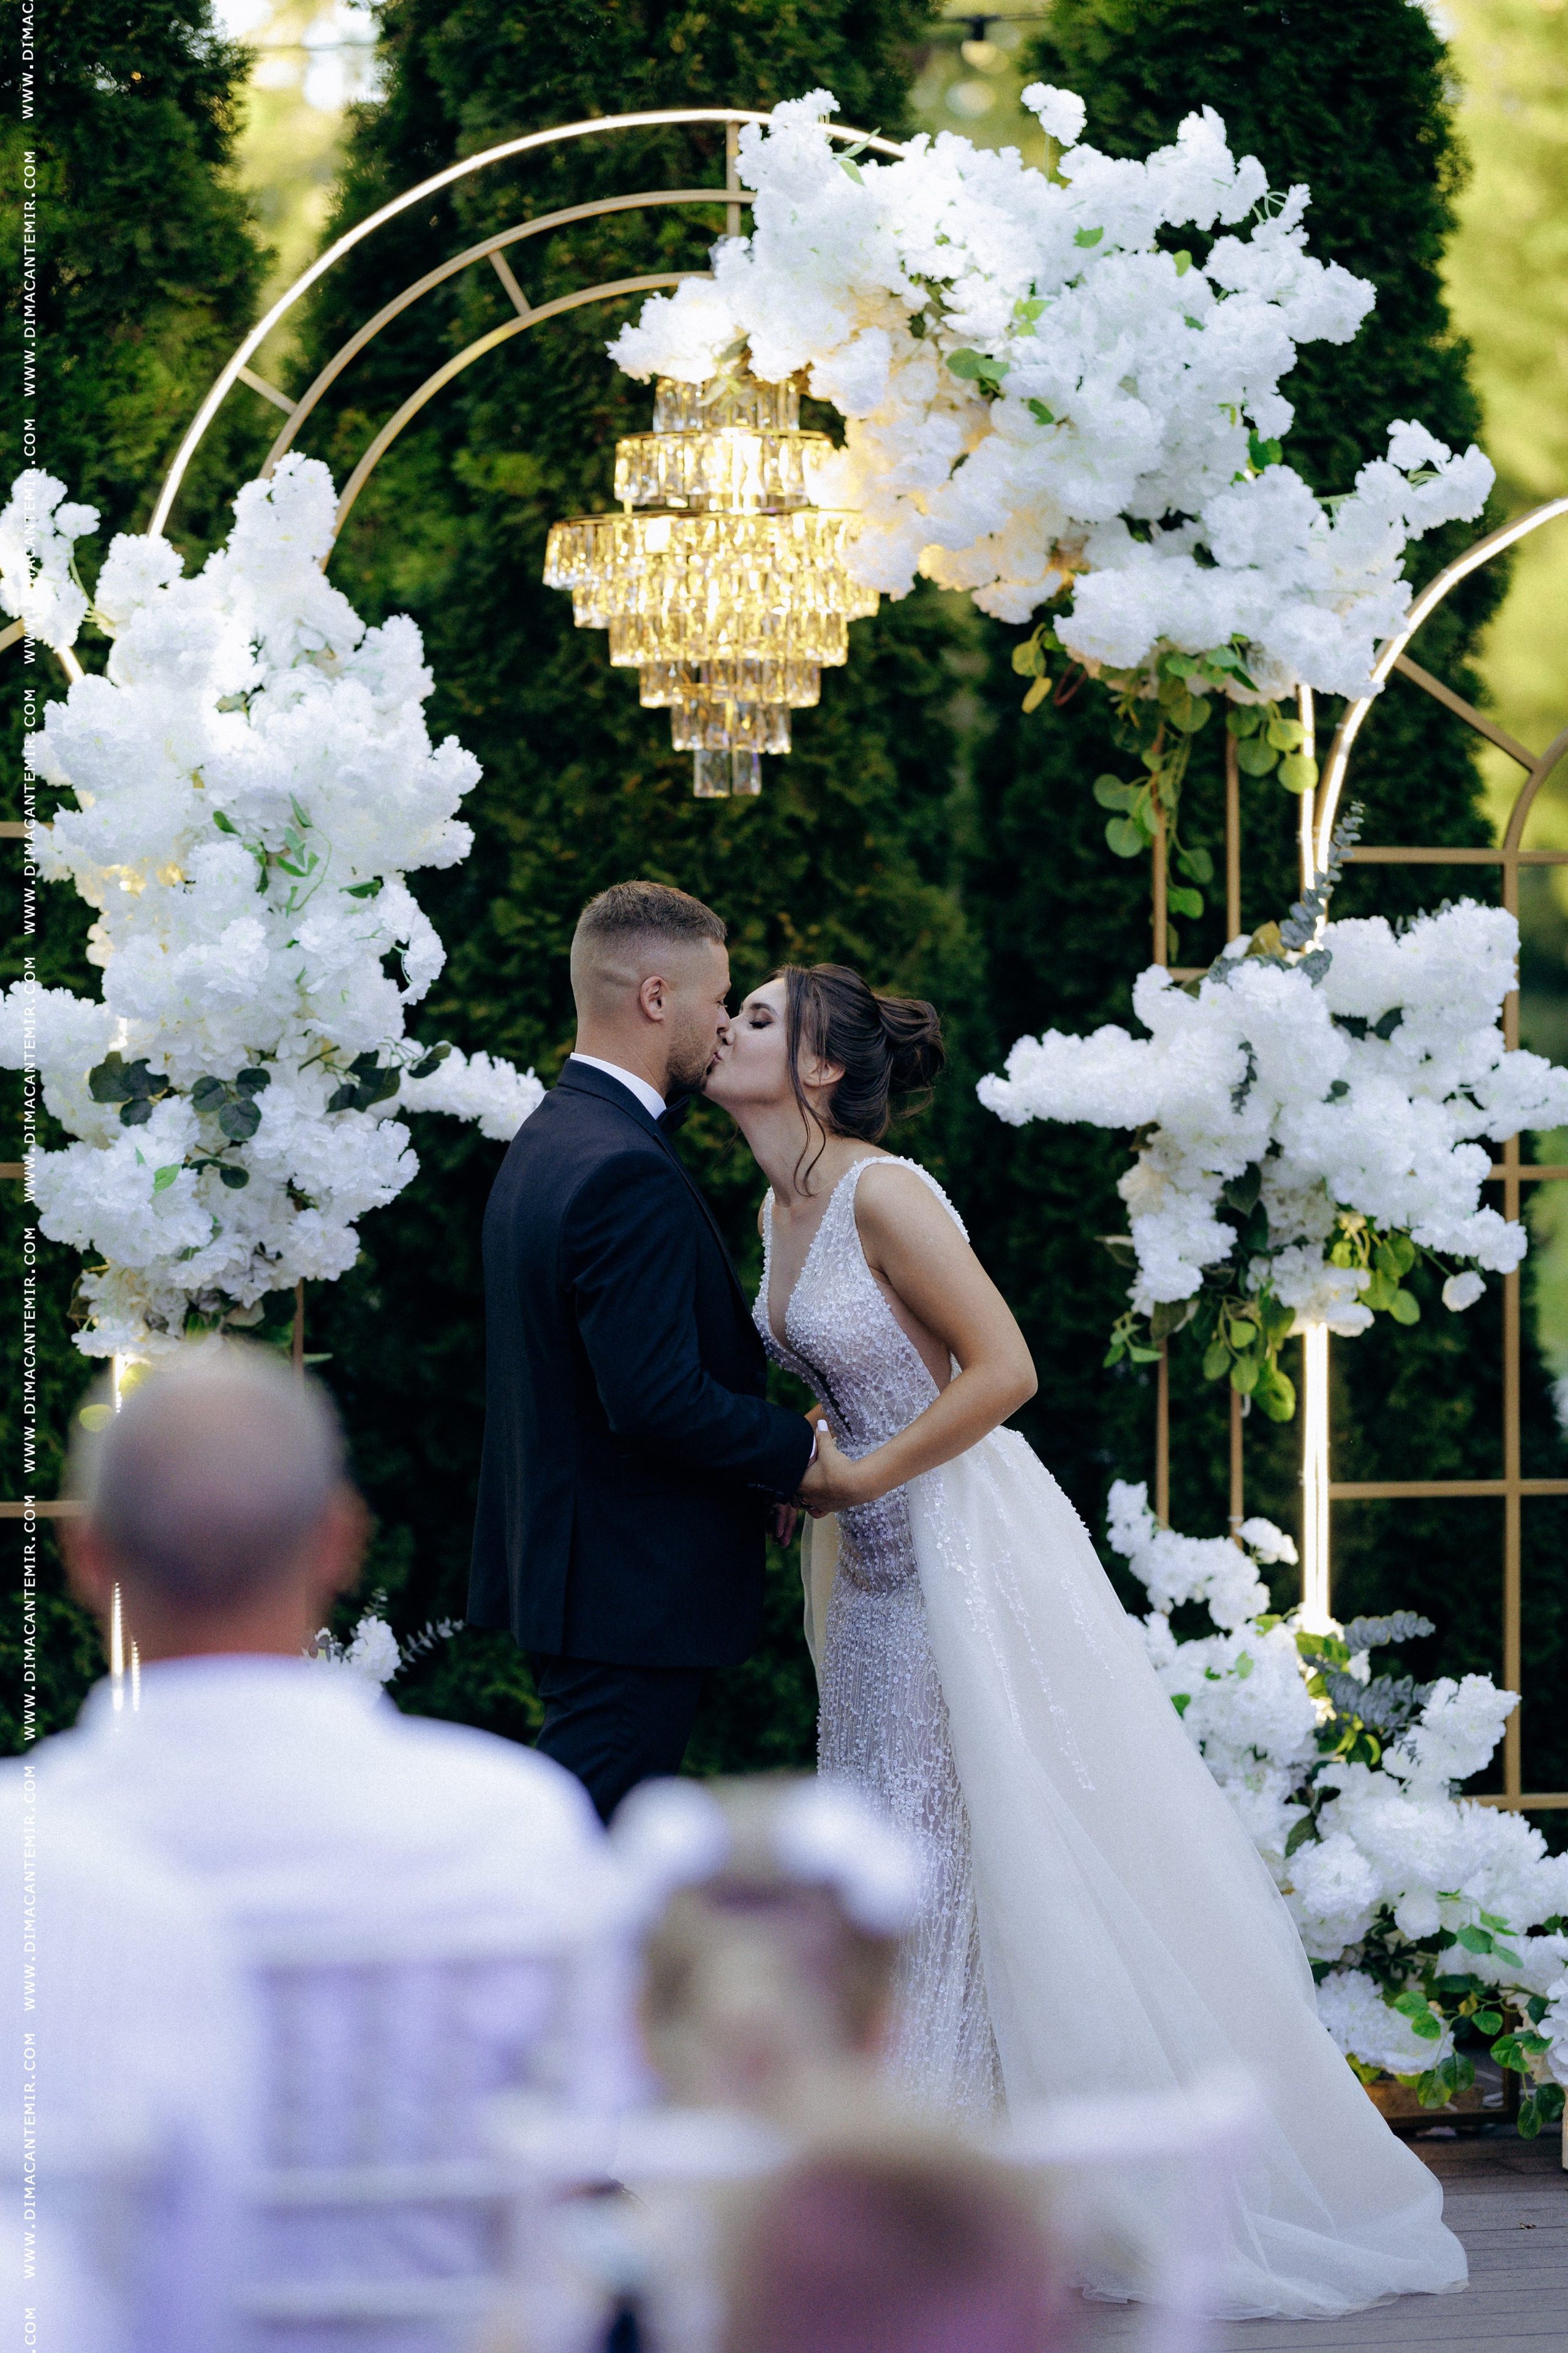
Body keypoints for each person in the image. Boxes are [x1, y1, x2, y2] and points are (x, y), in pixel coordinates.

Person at [702, 961, 1468, 2321]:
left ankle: (944, 2185)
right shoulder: (777, 1202)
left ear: (819, 1070)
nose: (726, 1028)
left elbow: (1001, 1370)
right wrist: (799, 1466)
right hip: (869, 1568)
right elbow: (846, 1375)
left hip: (961, 1549)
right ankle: (935, 2162)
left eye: (756, 1017)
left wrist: (863, 1475)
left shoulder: (886, 1190)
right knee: (896, 1840)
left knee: (967, 1841)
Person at [40, 1346, 631, 2343]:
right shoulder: (513, 1825)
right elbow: (597, 2167)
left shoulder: (30, 1847)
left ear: (89, 1556)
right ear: (338, 1543)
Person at [468, 881, 815, 1820]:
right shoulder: (622, 1166)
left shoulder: (553, 1137)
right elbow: (655, 1396)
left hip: (582, 1581)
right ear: (657, 998)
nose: (724, 1027)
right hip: (625, 1597)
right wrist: (799, 1456)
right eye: (718, 1000)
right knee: (579, 1853)